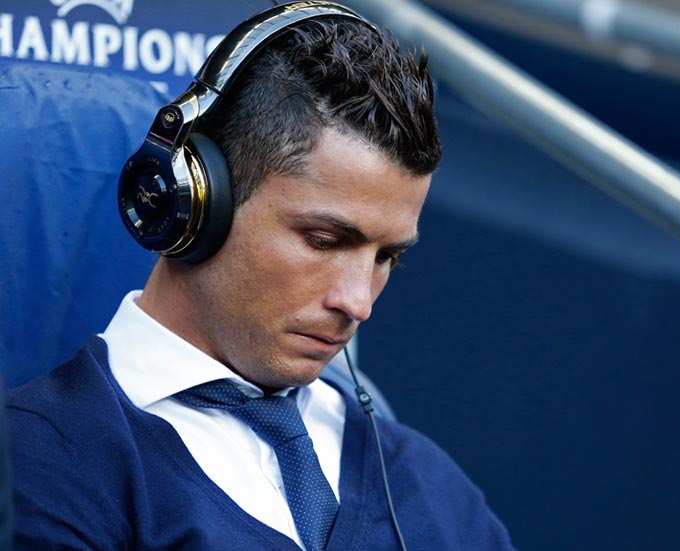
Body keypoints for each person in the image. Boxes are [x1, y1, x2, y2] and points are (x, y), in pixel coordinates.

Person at [6, 3, 513, 550]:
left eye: (387, 257)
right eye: (324, 240)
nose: (358, 304)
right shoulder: (39, 461)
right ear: (197, 206)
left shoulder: (436, 488)